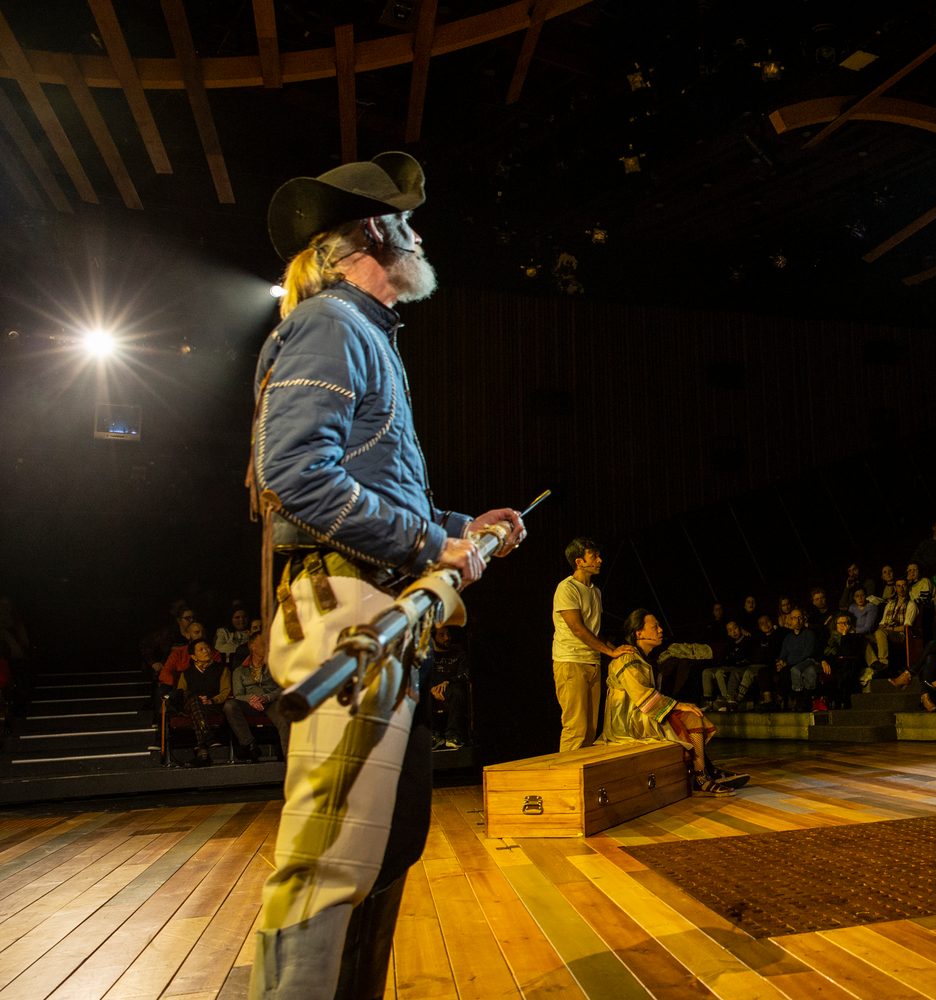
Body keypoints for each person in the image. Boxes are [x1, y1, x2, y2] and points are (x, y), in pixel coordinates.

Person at [247, 151, 526, 999]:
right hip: (345, 614)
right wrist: (427, 543)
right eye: (405, 220)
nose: (418, 232)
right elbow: (294, 473)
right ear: (371, 234)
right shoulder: (334, 323)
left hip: (373, 609)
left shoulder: (362, 332)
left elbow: (371, 491)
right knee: (330, 860)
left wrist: (457, 530)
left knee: (383, 844)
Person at [604, 609, 743, 795]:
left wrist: (678, 705)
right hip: (628, 721)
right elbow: (642, 696)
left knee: (692, 714)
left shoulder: (647, 659)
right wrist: (678, 705)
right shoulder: (627, 658)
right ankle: (701, 777)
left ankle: (706, 771)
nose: (661, 630)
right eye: (655, 627)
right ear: (639, 633)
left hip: (644, 713)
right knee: (690, 717)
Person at [552, 537, 632, 752]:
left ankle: (581, 779)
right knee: (575, 727)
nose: (599, 560)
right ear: (579, 561)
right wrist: (609, 651)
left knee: (589, 728)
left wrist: (613, 648)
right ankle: (565, 780)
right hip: (571, 661)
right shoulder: (567, 588)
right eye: (593, 556)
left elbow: (594, 630)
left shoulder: (595, 591)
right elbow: (577, 628)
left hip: (591, 661)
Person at [224, 631, 291, 759]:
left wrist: (267, 697)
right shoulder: (239, 670)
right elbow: (238, 694)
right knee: (229, 706)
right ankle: (249, 744)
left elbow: (282, 687)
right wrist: (251, 699)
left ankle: (288, 757)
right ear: (252, 646)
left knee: (283, 715)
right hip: (249, 704)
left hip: (271, 701)